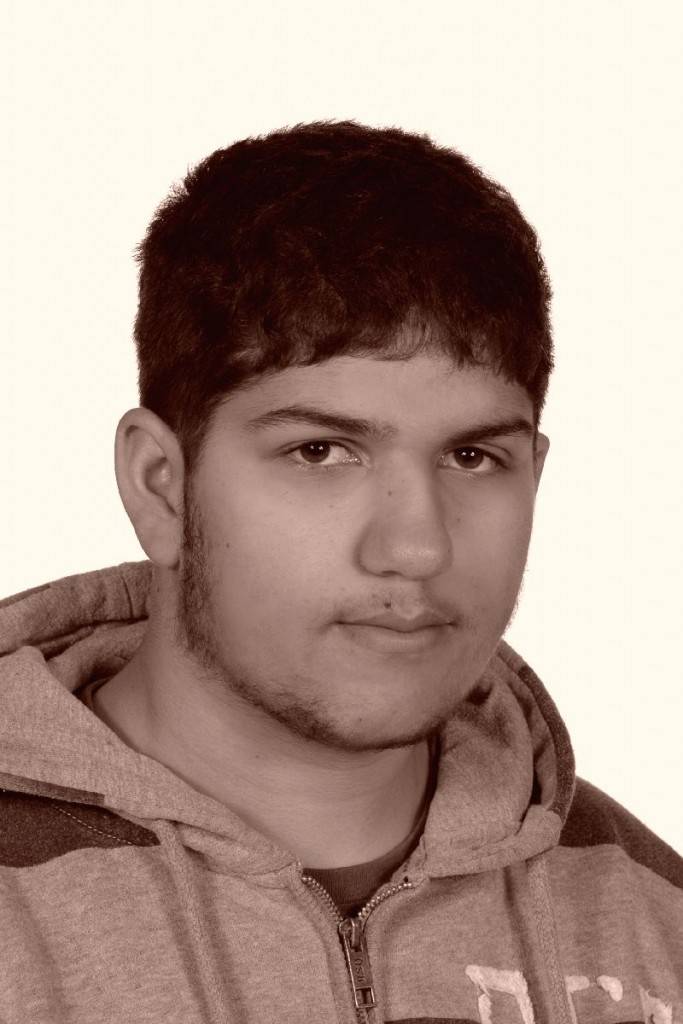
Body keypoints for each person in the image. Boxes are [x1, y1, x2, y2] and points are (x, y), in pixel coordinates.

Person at [0, 120, 680, 1024]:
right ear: (160, 484)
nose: (417, 547)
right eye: (320, 451)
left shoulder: (654, 920)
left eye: (473, 457)